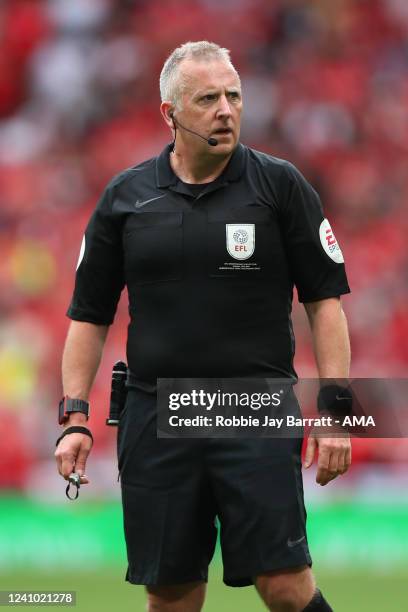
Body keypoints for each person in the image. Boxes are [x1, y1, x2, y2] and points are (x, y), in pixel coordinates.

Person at [55, 41, 351, 612]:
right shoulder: (125, 198)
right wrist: (74, 418)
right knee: (171, 597)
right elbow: (88, 315)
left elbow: (326, 302)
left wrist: (337, 410)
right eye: (208, 98)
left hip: (254, 408)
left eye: (234, 96)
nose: (226, 110)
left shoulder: (280, 186)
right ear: (169, 113)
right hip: (157, 415)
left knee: (286, 587)